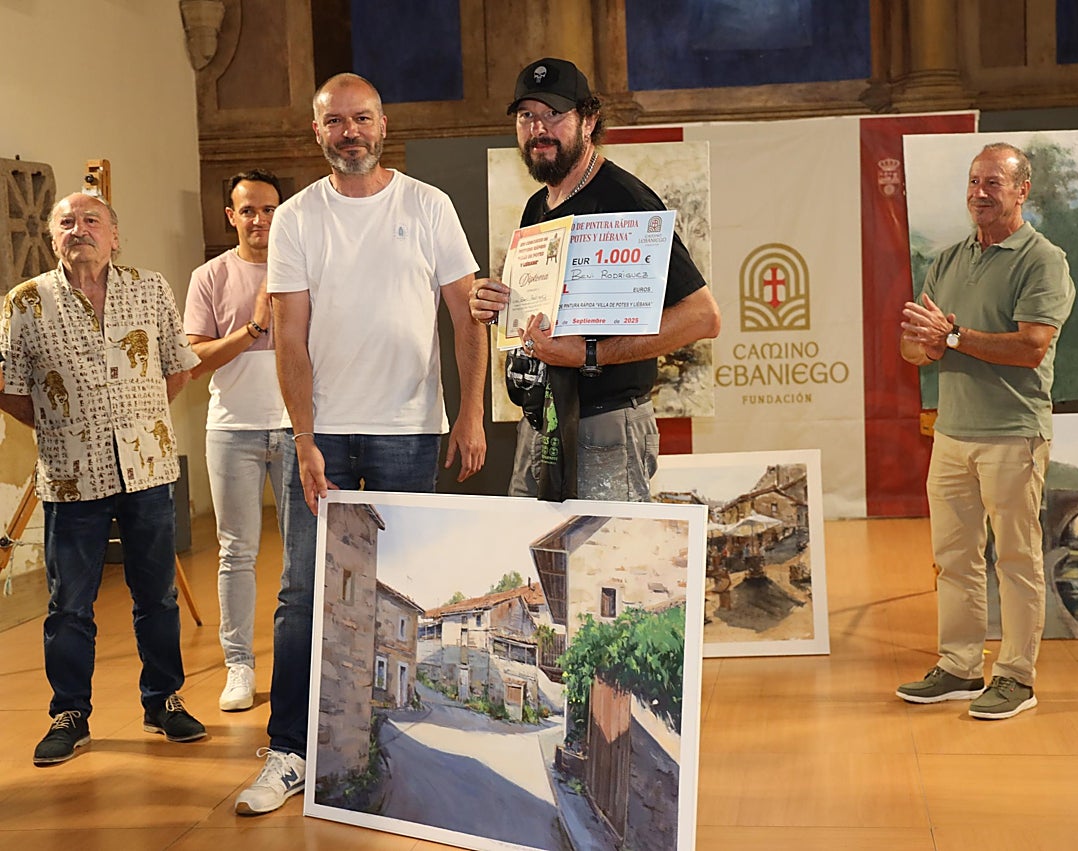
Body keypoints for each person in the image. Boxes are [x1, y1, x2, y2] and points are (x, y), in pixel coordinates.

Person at [235, 72, 486, 815]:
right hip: (323, 435)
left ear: (383, 125)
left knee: (391, 595)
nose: (350, 132)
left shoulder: (428, 206)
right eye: (335, 122)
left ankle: (373, 744)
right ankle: (288, 751)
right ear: (317, 132)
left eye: (362, 118)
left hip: (410, 431)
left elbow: (467, 317)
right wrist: (303, 438)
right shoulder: (299, 219)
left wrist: (470, 414)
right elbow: (289, 334)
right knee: (304, 593)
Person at [0, 192, 206, 765]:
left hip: (148, 470)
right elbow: (10, 386)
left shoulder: (152, 288)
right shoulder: (25, 302)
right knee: (70, 604)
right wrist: (65, 424)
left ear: (115, 235)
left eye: (92, 220)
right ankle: (70, 714)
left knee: (157, 595)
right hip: (70, 478)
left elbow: (177, 368)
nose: (79, 229)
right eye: (67, 222)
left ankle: (164, 701)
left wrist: (136, 419)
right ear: (52, 237)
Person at [470, 57, 721, 501]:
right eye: (527, 116)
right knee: (532, 565)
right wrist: (495, 305)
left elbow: (703, 318)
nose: (538, 128)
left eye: (554, 115)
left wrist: (589, 353)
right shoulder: (537, 207)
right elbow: (545, 314)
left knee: (608, 565)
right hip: (543, 423)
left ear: (588, 121)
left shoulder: (625, 200)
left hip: (605, 428)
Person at [896, 142, 1075, 720]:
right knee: (954, 558)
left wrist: (951, 337)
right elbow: (912, 344)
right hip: (952, 434)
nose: (979, 192)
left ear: (1023, 190)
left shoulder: (1043, 259)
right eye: (974, 181)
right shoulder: (946, 260)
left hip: (1013, 434)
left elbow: (1031, 347)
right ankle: (959, 668)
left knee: (1017, 561)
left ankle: (1017, 678)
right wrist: (927, 344)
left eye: (993, 183)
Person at [184, 169, 287, 712]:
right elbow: (193, 360)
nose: (259, 220)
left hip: (299, 431)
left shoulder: (303, 268)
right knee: (236, 553)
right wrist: (251, 329)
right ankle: (239, 666)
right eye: (248, 210)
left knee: (304, 555)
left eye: (268, 209)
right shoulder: (210, 276)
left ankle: (300, 665)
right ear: (231, 216)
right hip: (232, 432)